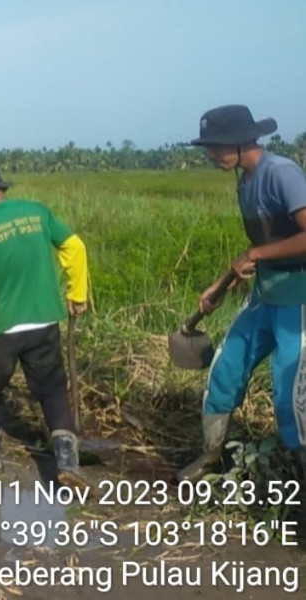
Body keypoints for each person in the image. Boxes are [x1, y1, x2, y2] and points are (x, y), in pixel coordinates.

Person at [177, 105, 306, 484]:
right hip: (265, 293)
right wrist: (220, 287)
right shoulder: (245, 181)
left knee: (290, 396)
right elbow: (260, 249)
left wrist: (254, 254)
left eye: (215, 147)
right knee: (224, 369)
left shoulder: (281, 173)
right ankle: (211, 456)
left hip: (298, 297)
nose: (210, 155)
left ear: (238, 143)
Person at [0, 164, 89, 490]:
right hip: (44, 319)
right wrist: (77, 293)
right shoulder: (37, 212)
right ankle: (68, 463)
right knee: (53, 389)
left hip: (2, 326)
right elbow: (75, 247)